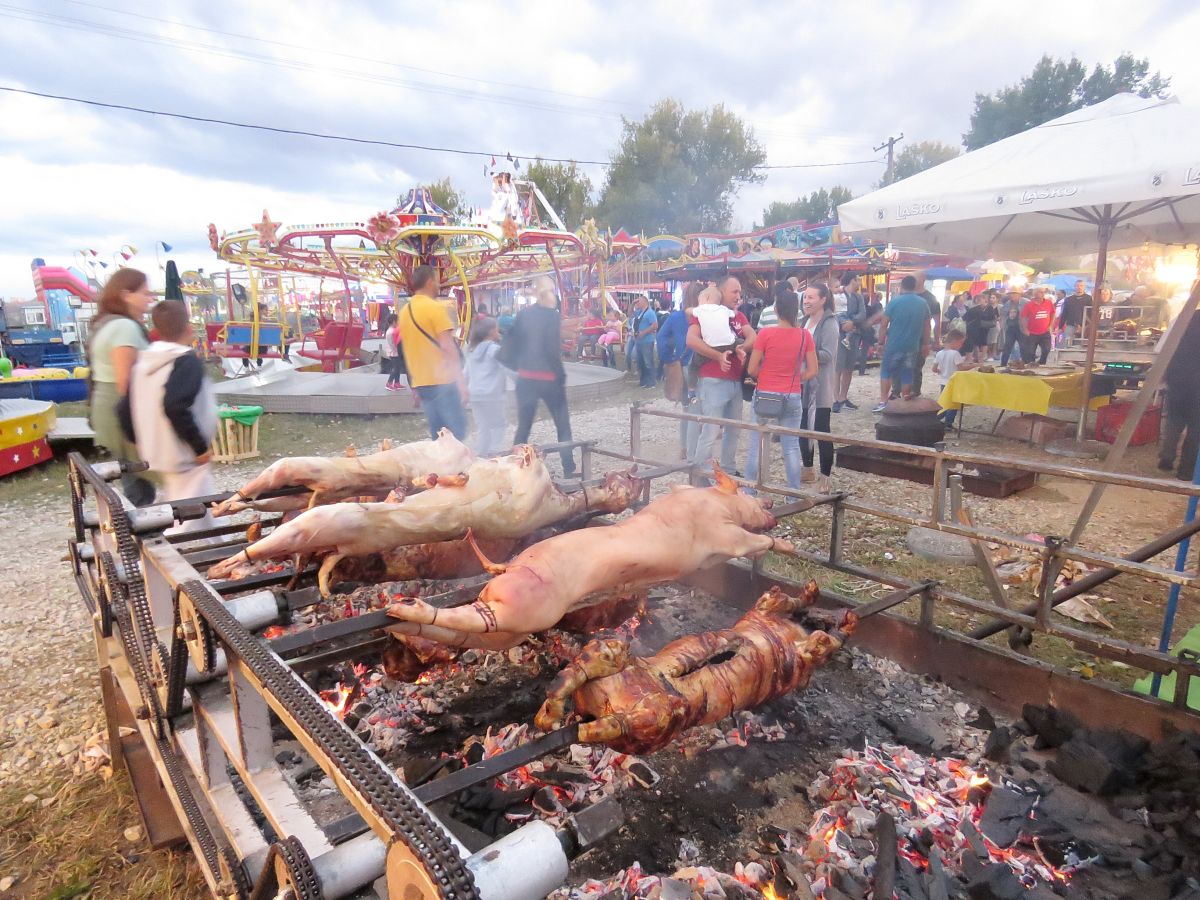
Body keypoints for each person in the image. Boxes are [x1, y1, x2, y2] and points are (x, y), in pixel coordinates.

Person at [118, 299, 216, 532]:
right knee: (188, 515)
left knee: (204, 508)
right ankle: (169, 555)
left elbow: (122, 407)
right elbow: (174, 405)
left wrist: (138, 440)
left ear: (155, 331)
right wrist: (199, 446)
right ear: (189, 329)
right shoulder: (185, 361)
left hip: (158, 448)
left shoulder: (143, 362)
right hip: (184, 452)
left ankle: (221, 546)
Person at [87, 268, 156, 506]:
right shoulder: (124, 328)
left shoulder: (109, 323)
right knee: (139, 486)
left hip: (112, 408)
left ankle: (134, 532)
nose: (150, 298)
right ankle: (136, 537)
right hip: (123, 411)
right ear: (126, 294)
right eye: (145, 293)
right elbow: (126, 383)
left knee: (136, 479)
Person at [743, 288, 818, 490]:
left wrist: (765, 375)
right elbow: (813, 370)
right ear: (797, 311)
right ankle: (793, 493)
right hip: (792, 394)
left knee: (756, 445)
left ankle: (749, 491)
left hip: (765, 393)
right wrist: (796, 378)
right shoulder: (805, 336)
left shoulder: (765, 334)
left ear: (776, 310)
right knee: (791, 447)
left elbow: (751, 368)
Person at [504, 276, 577, 477]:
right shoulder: (551, 316)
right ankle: (568, 467)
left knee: (524, 426)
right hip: (549, 379)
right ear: (550, 294)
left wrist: (518, 368)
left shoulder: (523, 315)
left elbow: (512, 342)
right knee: (562, 423)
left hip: (526, 379)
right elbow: (551, 349)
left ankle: (513, 467)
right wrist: (560, 375)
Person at [687, 275, 756, 478]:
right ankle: (700, 473)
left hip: (735, 380)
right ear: (721, 292)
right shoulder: (704, 314)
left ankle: (727, 469)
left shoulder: (738, 316)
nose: (738, 296)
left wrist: (742, 346)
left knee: (733, 429)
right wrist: (717, 355)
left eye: (739, 292)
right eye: (734, 291)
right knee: (710, 430)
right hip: (712, 379)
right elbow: (691, 339)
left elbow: (753, 335)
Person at [398, 264, 469, 440]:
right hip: (443, 382)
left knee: (438, 438)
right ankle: (457, 467)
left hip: (423, 385)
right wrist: (461, 382)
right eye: (437, 281)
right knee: (456, 436)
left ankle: (440, 467)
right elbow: (448, 347)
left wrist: (414, 385)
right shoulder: (435, 308)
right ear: (430, 282)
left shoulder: (405, 312)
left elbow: (407, 351)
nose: (438, 285)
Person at [800, 283, 840, 493]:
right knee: (802, 426)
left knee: (822, 430)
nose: (806, 301)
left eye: (811, 297)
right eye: (805, 297)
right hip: (802, 382)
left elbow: (828, 354)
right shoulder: (803, 321)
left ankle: (825, 476)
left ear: (823, 299)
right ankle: (807, 468)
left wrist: (803, 353)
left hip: (821, 384)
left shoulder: (830, 323)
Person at [875, 275, 930, 411]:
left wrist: (880, 342)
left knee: (887, 372)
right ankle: (904, 401)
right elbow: (927, 326)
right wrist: (926, 344)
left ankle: (883, 401)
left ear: (902, 286)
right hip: (912, 345)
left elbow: (883, 324)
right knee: (907, 373)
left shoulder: (894, 302)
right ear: (915, 286)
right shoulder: (923, 303)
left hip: (894, 344)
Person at [1159, 313, 1200, 481]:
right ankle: (1185, 471)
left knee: (1174, 420)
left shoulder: (1183, 317)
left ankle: (1166, 459)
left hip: (1177, 376)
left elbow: (1162, 347)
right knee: (1196, 427)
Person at [465, 317, 510, 456]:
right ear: (491, 331)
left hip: (475, 396)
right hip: (492, 396)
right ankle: (493, 453)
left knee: (483, 427)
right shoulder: (494, 350)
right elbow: (508, 367)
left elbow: (465, 373)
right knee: (499, 425)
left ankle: (481, 454)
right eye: (497, 329)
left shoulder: (471, 350)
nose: (499, 331)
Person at [687, 285, 739, 390]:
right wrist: (736, 308)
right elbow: (734, 314)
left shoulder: (701, 309)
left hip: (712, 345)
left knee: (693, 364)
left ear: (706, 298)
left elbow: (688, 311)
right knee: (740, 342)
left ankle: (691, 385)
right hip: (730, 343)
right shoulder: (723, 309)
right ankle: (740, 349)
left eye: (699, 300)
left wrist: (690, 309)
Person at [832, 273, 867, 412]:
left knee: (849, 368)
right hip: (839, 334)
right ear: (852, 280)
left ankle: (843, 397)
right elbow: (834, 312)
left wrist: (852, 321)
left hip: (854, 334)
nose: (859, 282)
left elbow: (863, 314)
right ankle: (835, 398)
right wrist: (843, 323)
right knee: (838, 367)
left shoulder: (858, 297)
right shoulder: (838, 295)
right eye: (857, 280)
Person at [933, 331, 976, 428]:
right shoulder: (955, 353)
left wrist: (941, 371)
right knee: (953, 404)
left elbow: (934, 369)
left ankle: (936, 418)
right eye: (961, 343)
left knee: (944, 402)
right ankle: (948, 423)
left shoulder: (939, 353)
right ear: (955, 341)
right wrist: (973, 366)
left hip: (943, 382)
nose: (961, 345)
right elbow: (961, 368)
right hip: (954, 382)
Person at [911, 271, 942, 396]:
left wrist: (936, 340)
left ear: (922, 279)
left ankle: (915, 392)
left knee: (916, 366)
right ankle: (899, 391)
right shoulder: (905, 295)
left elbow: (937, 322)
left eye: (915, 278)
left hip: (921, 338)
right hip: (905, 336)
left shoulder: (931, 299)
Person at [629, 294, 659, 388]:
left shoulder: (650, 313)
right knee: (640, 362)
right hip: (638, 341)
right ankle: (643, 381)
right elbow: (630, 314)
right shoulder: (639, 312)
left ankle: (651, 382)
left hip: (646, 341)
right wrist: (632, 304)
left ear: (644, 302)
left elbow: (655, 325)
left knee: (648, 362)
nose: (637, 302)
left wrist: (644, 332)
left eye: (639, 301)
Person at [1020, 287, 1055, 365]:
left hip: (1045, 331)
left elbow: (1052, 313)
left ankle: (1042, 363)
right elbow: (1023, 317)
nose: (1043, 294)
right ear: (1035, 294)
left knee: (1047, 349)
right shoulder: (1029, 305)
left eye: (1043, 292)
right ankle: (1032, 364)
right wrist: (1025, 329)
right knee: (1030, 352)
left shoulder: (1048, 303)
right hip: (1032, 332)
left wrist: (1050, 325)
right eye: (1040, 292)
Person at [963, 291, 998, 363]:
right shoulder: (975, 308)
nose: (978, 300)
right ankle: (976, 357)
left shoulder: (989, 308)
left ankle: (981, 358)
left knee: (983, 342)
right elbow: (966, 317)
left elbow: (991, 317)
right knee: (975, 342)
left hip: (983, 328)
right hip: (974, 328)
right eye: (977, 299)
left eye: (980, 299)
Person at [999, 291, 1025, 366]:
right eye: (1010, 294)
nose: (1011, 296)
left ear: (1018, 294)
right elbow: (1003, 314)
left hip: (1021, 328)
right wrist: (1003, 324)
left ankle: (1025, 363)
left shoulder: (1025, 302)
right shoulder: (1007, 303)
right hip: (1010, 328)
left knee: (1023, 347)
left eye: (1013, 294)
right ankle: (1003, 364)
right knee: (1007, 346)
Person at [381, 313, 405, 391]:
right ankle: (389, 383)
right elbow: (392, 344)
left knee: (397, 368)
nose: (398, 323)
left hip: (395, 352)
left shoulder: (392, 330)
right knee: (395, 368)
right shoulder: (390, 332)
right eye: (397, 321)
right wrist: (397, 351)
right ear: (394, 322)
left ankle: (397, 383)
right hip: (393, 353)